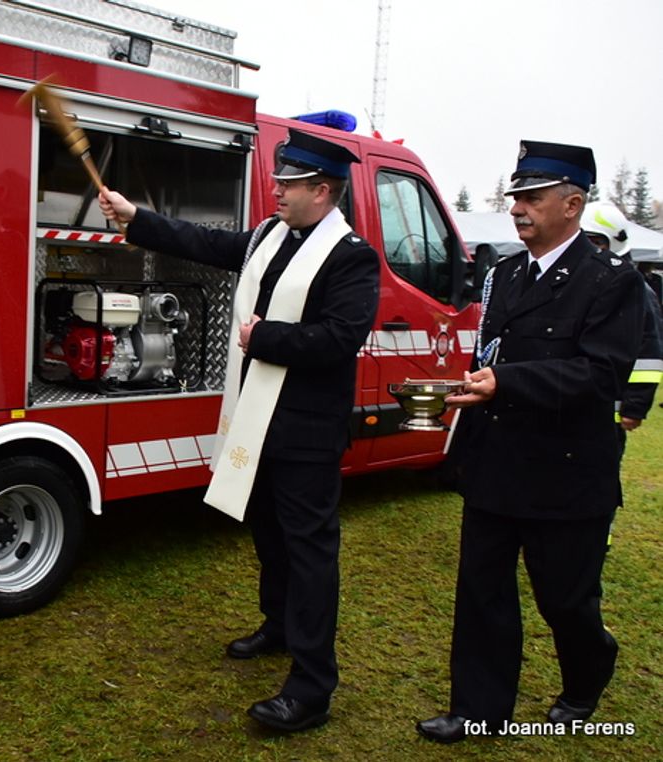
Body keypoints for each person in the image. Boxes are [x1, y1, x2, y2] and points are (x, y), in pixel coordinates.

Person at [99, 129, 379, 733]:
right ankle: (278, 626)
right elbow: (205, 242)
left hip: (305, 433)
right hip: (258, 419)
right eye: (278, 178)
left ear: (322, 190)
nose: (275, 188)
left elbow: (338, 339)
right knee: (269, 535)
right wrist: (136, 218)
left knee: (309, 553)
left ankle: (311, 686)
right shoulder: (267, 236)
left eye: (289, 181)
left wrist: (262, 338)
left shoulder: (351, 257)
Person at [416, 141, 644, 743]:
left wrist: (506, 383)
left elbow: (601, 374)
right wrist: (470, 390)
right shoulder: (505, 274)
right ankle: (479, 711)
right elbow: (492, 355)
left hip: (567, 472)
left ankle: (586, 675)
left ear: (572, 205)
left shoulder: (610, 280)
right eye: (515, 197)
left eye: (533, 198)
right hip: (497, 462)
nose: (518, 209)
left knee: (566, 601)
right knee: (483, 594)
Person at [580, 202, 663, 457]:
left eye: (594, 241)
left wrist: (634, 405)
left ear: (613, 242)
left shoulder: (634, 288)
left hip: (606, 413)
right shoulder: (580, 281)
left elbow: (648, 349)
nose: (588, 248)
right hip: (571, 406)